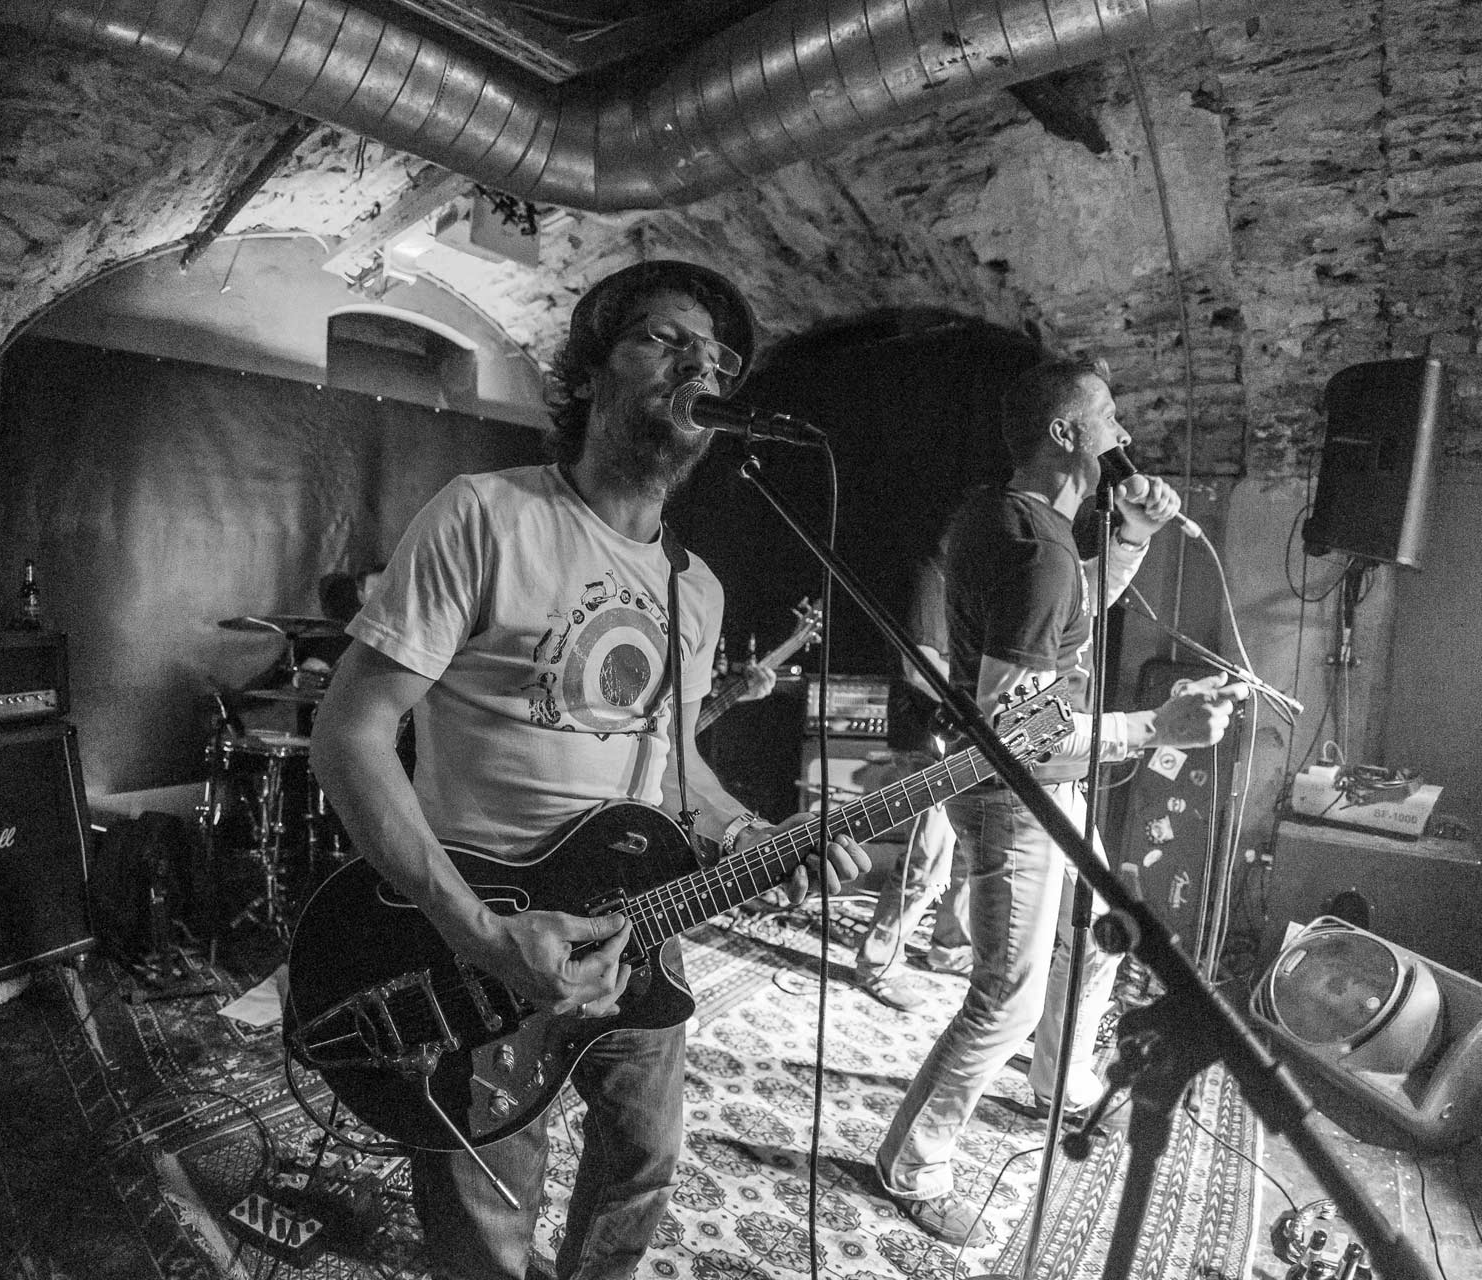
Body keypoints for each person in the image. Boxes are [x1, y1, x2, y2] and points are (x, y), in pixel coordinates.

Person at [309, 260, 867, 1280]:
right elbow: (349, 735)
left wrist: (752, 834)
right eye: (665, 339)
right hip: (485, 934)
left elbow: (677, 772)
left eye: (719, 359)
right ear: (591, 371)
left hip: (639, 926)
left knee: (641, 1171)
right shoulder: (485, 516)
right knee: (486, 1216)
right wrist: (478, 933)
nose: (701, 367)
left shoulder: (695, 588)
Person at [873, 356, 1246, 1247]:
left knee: (1104, 933)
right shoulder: (1037, 551)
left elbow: (1069, 617)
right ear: (1066, 433)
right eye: (1109, 415)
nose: (1125, 432)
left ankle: (1059, 1080)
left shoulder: (1008, 519)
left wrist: (1134, 537)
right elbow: (1020, 732)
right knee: (1005, 996)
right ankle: (914, 1164)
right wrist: (1155, 727)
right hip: (1017, 797)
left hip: (1036, 787)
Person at [851, 544, 974, 1012]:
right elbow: (917, 665)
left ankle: (949, 948)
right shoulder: (933, 574)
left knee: (967, 854)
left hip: (958, 744)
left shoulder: (969, 586)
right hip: (927, 741)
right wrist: (981, 700)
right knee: (927, 862)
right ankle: (877, 964)